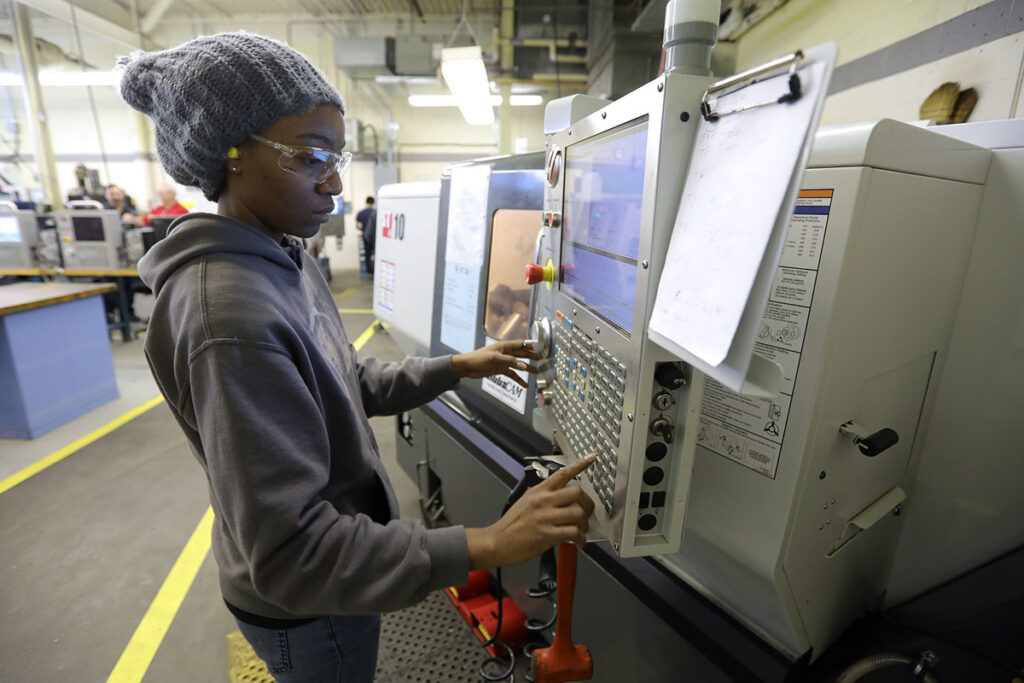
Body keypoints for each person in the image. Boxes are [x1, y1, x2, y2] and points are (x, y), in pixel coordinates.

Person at [118, 32, 594, 683]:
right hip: (310, 604)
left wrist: (455, 367)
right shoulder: (228, 316)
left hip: (338, 574)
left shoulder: (282, 254)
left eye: (337, 156)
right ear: (229, 152)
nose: (336, 183)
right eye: (311, 157)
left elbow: (342, 379)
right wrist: (488, 543)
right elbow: (292, 554)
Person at [355, 195, 376, 275]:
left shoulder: (360, 213)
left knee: (367, 254)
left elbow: (356, 225)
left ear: (366, 202)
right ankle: (375, 269)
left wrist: (363, 230)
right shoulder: (375, 212)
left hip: (365, 236)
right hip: (375, 237)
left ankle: (369, 271)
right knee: (375, 253)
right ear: (373, 203)